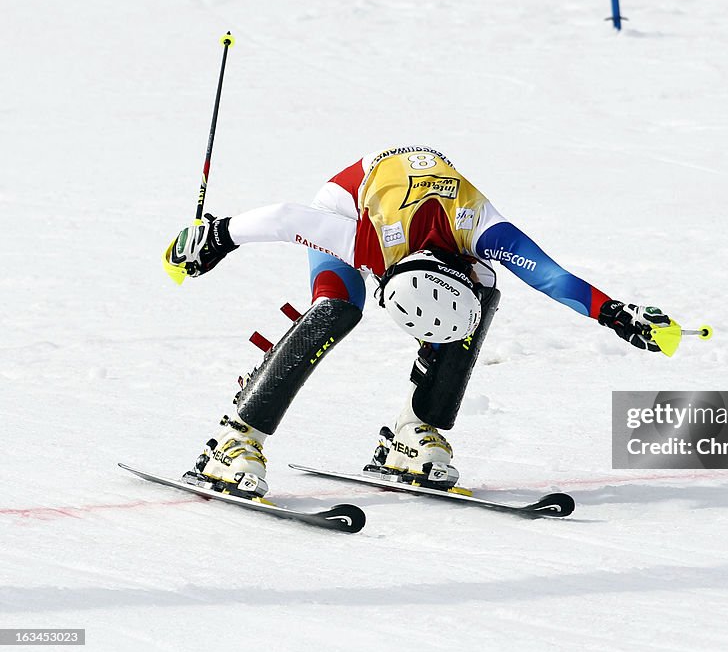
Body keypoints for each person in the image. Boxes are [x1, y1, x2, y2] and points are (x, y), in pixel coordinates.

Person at [165, 145, 681, 497]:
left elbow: (549, 275)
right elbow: (284, 218)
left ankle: (416, 432)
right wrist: (216, 236)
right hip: (352, 200)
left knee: (483, 291)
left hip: (426, 202)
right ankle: (237, 437)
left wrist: (615, 313)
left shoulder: (480, 229)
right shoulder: (361, 240)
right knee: (339, 307)